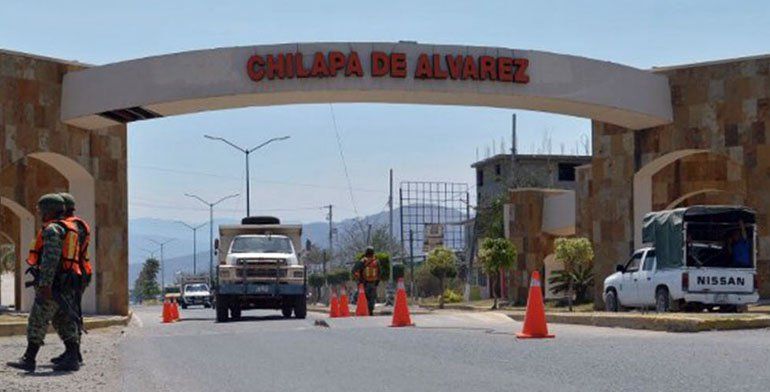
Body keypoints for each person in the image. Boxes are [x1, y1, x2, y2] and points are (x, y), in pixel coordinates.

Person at [6, 194, 82, 372]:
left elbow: (50, 259)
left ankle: (29, 358)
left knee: (37, 319)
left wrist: (45, 284)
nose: (40, 214)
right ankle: (72, 357)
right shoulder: (69, 228)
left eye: (41, 210)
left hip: (54, 285)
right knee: (62, 319)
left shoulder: (52, 230)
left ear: (49, 211)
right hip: (66, 283)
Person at [50, 193, 92, 366]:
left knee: (69, 314)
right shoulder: (78, 224)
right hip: (79, 272)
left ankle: (74, 353)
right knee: (72, 312)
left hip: (73, 274)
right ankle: (73, 352)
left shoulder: (71, 225)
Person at [352, 246, 381, 316]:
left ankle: (366, 310)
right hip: (373, 283)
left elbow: (354, 270)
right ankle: (370, 311)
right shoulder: (376, 261)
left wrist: (359, 280)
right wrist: (376, 283)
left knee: (364, 298)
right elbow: (379, 273)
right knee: (372, 299)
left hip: (364, 283)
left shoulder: (363, 261)